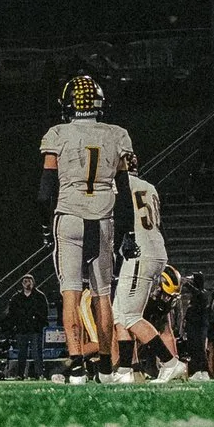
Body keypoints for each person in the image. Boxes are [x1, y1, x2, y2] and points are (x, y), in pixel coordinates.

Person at [39, 73, 139, 375]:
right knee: (102, 295)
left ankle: (78, 364)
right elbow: (124, 188)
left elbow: (45, 192)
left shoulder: (57, 133)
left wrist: (46, 227)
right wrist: (128, 231)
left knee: (70, 292)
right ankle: (108, 366)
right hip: (104, 217)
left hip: (69, 216)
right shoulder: (117, 134)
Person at [108, 166, 171, 375]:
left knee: (130, 316)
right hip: (154, 248)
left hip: (138, 252)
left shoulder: (120, 185)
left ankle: (171, 363)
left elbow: (119, 218)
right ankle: (126, 369)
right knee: (119, 314)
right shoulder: (149, 187)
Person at [2, 272, 49, 380]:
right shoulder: (16, 297)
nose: (27, 283)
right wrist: (15, 325)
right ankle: (20, 374)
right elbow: (11, 313)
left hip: (35, 329)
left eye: (29, 281)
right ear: (22, 284)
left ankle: (39, 374)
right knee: (21, 353)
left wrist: (38, 322)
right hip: (21, 329)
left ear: (33, 283)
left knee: (37, 352)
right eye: (25, 281)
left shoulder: (39, 296)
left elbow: (44, 311)